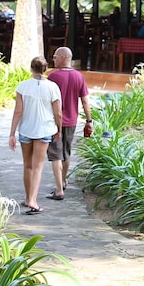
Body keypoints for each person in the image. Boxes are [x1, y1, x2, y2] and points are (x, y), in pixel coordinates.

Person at [8, 56, 62, 215]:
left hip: (26, 129)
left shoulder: (23, 86)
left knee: (27, 165)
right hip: (44, 129)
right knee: (38, 166)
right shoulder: (53, 87)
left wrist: (12, 133)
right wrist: (59, 129)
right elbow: (58, 112)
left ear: (31, 68)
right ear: (45, 69)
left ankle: (27, 198)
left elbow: (18, 111)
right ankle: (33, 200)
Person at [45, 47, 92, 200]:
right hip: (71, 121)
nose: (53, 59)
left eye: (55, 57)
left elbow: (45, 100)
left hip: (54, 121)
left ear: (63, 58)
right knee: (66, 152)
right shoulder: (79, 76)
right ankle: (64, 180)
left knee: (55, 155)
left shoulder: (53, 77)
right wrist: (89, 121)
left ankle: (59, 188)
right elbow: (85, 101)